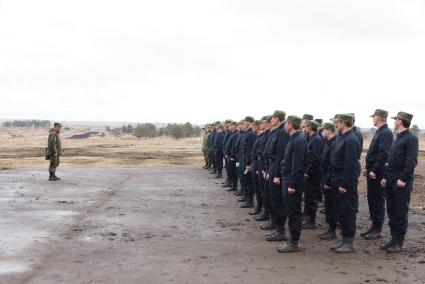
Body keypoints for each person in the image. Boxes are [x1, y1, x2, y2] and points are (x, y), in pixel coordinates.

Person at [380, 111, 418, 253]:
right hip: (390, 179)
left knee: (400, 211)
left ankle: (399, 242)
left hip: (401, 181)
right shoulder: (397, 138)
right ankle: (393, 239)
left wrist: (403, 179)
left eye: (396, 119)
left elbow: (411, 161)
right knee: (391, 209)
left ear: (400, 121)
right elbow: (390, 160)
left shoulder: (410, 138)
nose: (394, 121)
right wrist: (384, 177)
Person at [330, 114, 360, 253]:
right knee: (341, 210)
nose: (336, 124)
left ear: (344, 123)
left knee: (348, 211)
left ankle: (349, 242)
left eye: (338, 122)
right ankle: (344, 240)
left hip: (345, 181)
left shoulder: (351, 140)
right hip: (337, 179)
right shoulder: (341, 137)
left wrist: (344, 183)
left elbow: (350, 165)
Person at [361, 109, 393, 240]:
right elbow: (374, 153)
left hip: (378, 173)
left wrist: (374, 169)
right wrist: (368, 168)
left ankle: (378, 229)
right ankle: (374, 226)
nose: (372, 119)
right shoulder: (380, 131)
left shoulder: (385, 132)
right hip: (373, 171)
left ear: (378, 118)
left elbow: (383, 154)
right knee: (372, 199)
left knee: (377, 200)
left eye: (373, 117)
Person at [278, 115, 307, 253]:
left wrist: (292, 184)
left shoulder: (299, 140)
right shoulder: (294, 139)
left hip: (292, 181)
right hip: (288, 179)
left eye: (285, 124)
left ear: (290, 124)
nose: (284, 126)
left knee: (294, 212)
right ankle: (292, 239)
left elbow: (298, 165)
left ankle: (294, 242)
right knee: (290, 210)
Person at [263, 111, 290, 242]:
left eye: (273, 118)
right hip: (272, 166)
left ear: (277, 119)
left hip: (277, 167)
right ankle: (276, 225)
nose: (271, 120)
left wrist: (278, 174)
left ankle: (280, 230)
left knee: (278, 200)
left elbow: (280, 155)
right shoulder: (276, 132)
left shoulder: (282, 132)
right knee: (273, 198)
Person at [302, 120, 324, 229]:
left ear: (311, 127)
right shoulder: (310, 138)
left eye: (305, 126)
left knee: (312, 197)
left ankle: (311, 221)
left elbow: (315, 158)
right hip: (309, 173)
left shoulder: (316, 139)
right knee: (308, 196)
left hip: (313, 174)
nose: (304, 128)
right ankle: (307, 218)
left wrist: (308, 172)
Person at [318, 122, 338, 240]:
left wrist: (328, 182)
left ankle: (332, 231)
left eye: (323, 130)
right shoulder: (329, 143)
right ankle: (330, 229)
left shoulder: (334, 144)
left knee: (332, 205)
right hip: (325, 177)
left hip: (329, 180)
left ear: (329, 131)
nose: (321, 132)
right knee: (328, 204)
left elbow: (332, 165)